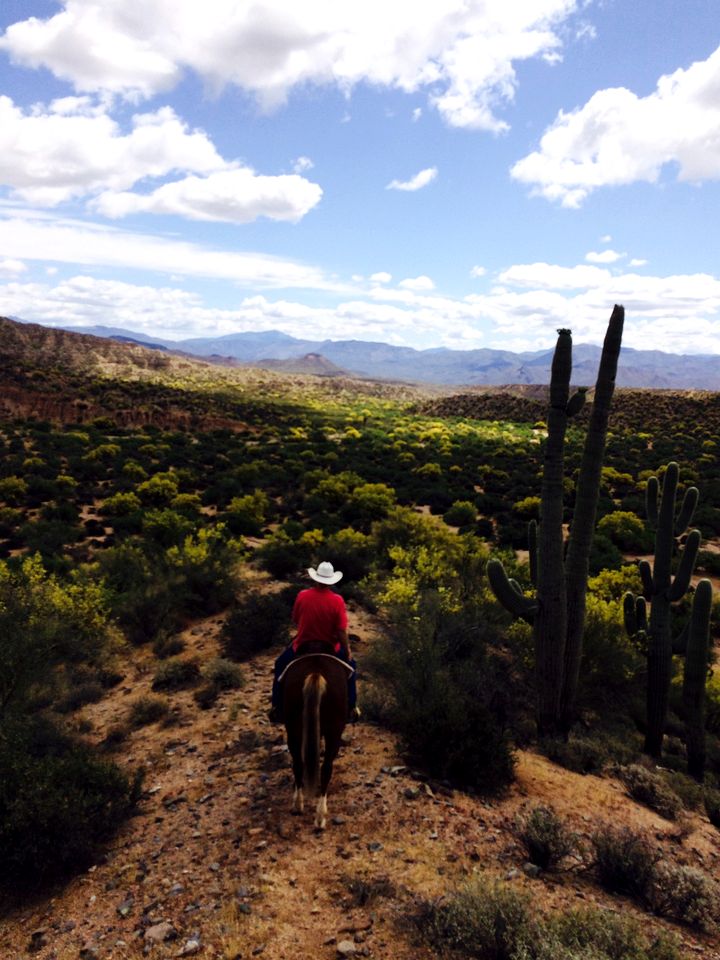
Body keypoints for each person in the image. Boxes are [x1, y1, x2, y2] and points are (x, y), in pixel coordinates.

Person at [269, 561, 359, 723]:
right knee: (352, 668)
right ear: (331, 581)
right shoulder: (337, 600)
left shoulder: (302, 595)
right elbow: (340, 631)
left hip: (302, 645)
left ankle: (277, 707)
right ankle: (351, 707)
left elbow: (296, 619)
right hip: (330, 647)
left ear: (316, 578)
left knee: (280, 664)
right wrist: (347, 651)